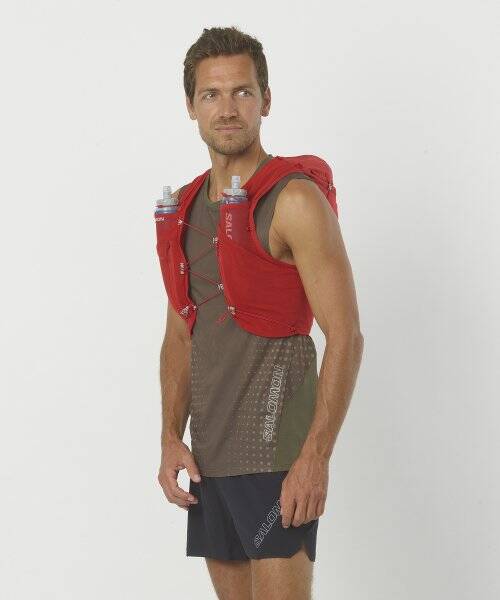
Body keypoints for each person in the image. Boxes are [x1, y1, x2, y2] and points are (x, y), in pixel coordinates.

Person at [157, 25, 364, 600]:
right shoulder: (185, 209)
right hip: (210, 456)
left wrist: (315, 456)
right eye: (211, 94)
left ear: (265, 100)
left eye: (242, 92)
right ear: (191, 106)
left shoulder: (294, 200)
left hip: (278, 454)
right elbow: (180, 335)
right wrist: (170, 436)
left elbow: (346, 335)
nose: (227, 109)